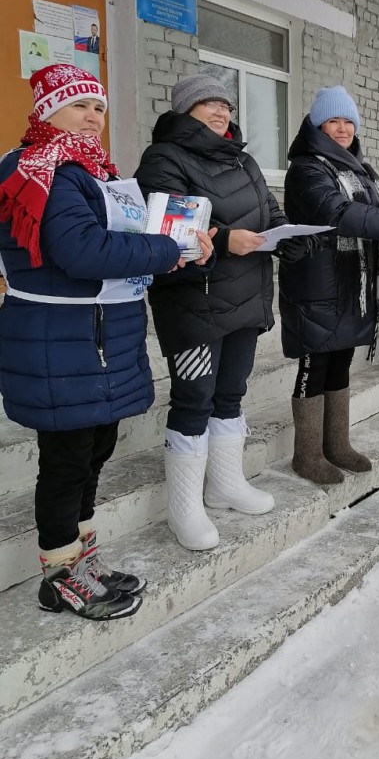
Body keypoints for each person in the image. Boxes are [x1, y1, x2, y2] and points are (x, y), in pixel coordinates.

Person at [0, 64, 208, 620]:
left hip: (98, 337)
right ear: (48, 112)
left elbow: (120, 242)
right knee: (66, 461)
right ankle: (59, 576)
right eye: (79, 106)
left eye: (99, 108)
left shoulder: (91, 171)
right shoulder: (41, 168)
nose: (93, 117)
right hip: (60, 340)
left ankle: (82, 560)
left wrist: (180, 243)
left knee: (94, 453)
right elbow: (83, 251)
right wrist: (169, 250)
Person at [135, 74, 298, 551]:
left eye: (226, 104)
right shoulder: (164, 158)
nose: (221, 111)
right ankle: (183, 508)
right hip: (192, 302)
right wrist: (226, 239)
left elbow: (268, 211)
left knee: (230, 394)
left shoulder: (243, 159)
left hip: (245, 297)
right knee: (194, 398)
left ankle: (224, 484)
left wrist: (287, 235)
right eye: (208, 102)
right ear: (185, 110)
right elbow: (169, 227)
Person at [279, 85, 379, 485]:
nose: (343, 129)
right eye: (334, 121)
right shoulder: (307, 168)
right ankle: (307, 455)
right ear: (317, 125)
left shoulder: (360, 169)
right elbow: (338, 211)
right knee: (315, 364)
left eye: (349, 121)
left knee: (341, 360)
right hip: (315, 282)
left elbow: (372, 213)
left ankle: (337, 444)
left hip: (351, 280)